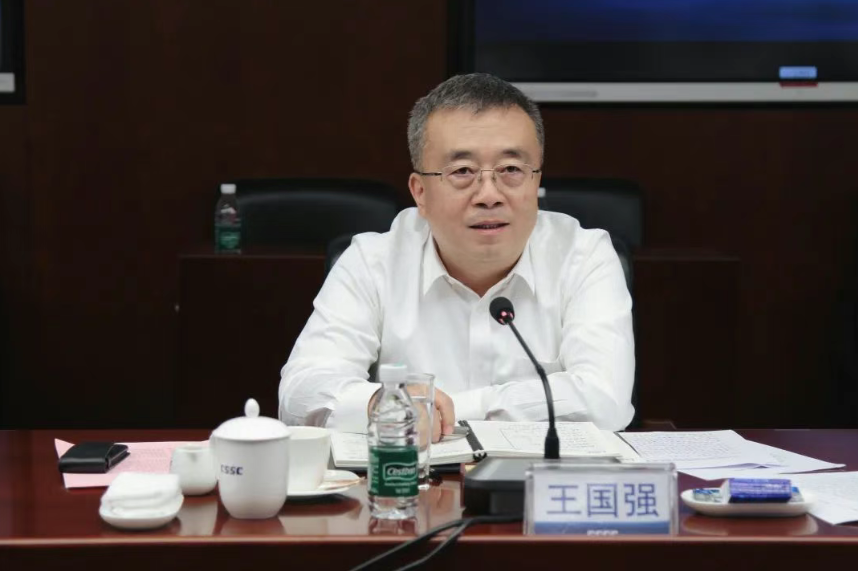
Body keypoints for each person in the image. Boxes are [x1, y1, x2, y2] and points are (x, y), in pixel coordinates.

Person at [278, 73, 635, 440]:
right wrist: (374, 404)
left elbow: (604, 400)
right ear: (420, 192)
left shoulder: (583, 256)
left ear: (536, 180)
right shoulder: (373, 262)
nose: (489, 195)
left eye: (511, 170)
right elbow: (300, 392)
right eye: (462, 172)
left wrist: (436, 408)